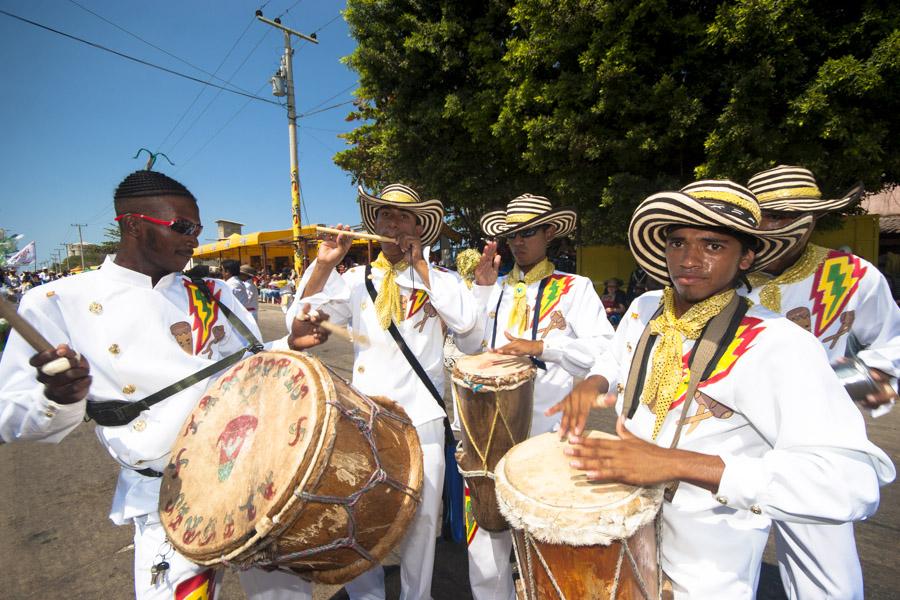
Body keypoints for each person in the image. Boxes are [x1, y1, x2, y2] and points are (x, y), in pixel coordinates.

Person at [550, 179, 895, 599]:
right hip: (622, 528)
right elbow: (615, 356)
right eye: (678, 242)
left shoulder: (778, 342)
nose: (689, 259)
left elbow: (850, 481)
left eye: (713, 245)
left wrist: (679, 463)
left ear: (747, 255)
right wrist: (592, 383)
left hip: (708, 561)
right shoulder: (644, 309)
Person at [0, 170, 330, 599]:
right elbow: (12, 416)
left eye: (197, 227)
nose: (194, 237)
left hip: (255, 481)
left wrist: (289, 342)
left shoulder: (211, 293)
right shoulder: (56, 302)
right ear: (134, 225)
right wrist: (60, 398)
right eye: (182, 226)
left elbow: (249, 368)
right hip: (169, 501)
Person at [287, 183, 483, 600]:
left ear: (418, 226)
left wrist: (423, 270)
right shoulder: (356, 278)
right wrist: (323, 265)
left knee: (422, 521)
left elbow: (470, 331)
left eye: (403, 217)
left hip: (422, 418)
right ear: (374, 222)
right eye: (385, 215)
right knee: (361, 514)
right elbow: (301, 320)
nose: (392, 224)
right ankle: (367, 596)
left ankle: (418, 594)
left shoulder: (441, 280)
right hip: (365, 420)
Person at [743, 165, 900, 599]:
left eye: (788, 215)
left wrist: (869, 376)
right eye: (766, 216)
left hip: (815, 441)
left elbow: (891, 341)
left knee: (826, 576)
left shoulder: (850, 274)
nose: (774, 227)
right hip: (729, 435)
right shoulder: (725, 274)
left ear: (813, 218)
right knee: (714, 564)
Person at [465, 193, 615, 600]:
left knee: (548, 539)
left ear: (550, 232)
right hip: (489, 432)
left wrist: (543, 348)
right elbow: (467, 347)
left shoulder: (575, 288)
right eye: (512, 233)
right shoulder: (489, 289)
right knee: (486, 537)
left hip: (549, 434)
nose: (518, 241)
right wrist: (479, 294)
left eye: (528, 231)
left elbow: (606, 351)